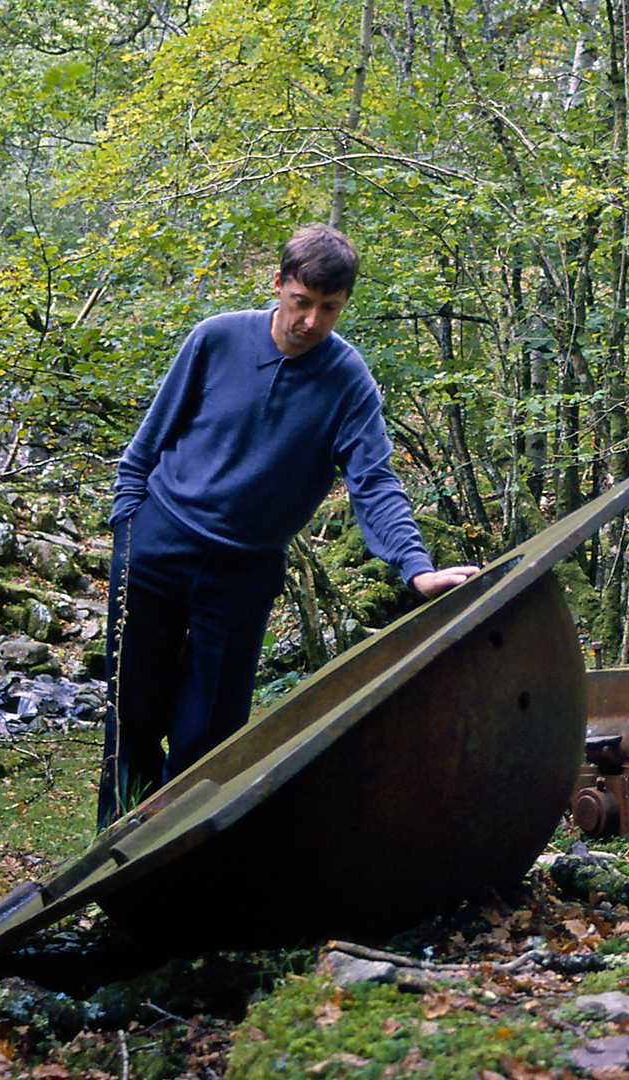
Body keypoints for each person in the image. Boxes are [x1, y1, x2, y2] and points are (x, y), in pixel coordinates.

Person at [96, 223, 476, 829]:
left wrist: (416, 568)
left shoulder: (347, 379)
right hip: (156, 546)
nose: (311, 322)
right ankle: (109, 862)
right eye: (301, 302)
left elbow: (373, 481)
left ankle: (180, 866)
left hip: (244, 570)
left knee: (211, 736)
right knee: (133, 716)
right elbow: (147, 445)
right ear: (278, 285)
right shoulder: (215, 340)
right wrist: (126, 528)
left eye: (329, 309)